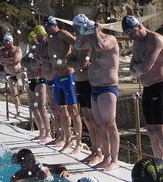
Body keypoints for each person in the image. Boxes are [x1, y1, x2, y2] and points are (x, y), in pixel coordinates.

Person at [124, 14, 163, 160]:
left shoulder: (155, 40)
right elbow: (132, 70)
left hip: (160, 86)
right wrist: (138, 69)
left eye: (132, 32)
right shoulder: (137, 43)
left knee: (159, 130)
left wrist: (138, 68)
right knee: (150, 130)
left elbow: (144, 68)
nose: (131, 36)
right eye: (128, 34)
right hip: (147, 88)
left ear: (139, 26)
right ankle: (159, 162)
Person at [78, 14, 120, 171]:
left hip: (108, 88)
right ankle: (106, 157)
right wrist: (84, 33)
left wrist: (96, 30)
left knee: (110, 124)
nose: (87, 38)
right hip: (95, 88)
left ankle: (115, 159)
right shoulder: (92, 42)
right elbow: (77, 45)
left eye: (88, 34)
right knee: (101, 125)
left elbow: (100, 46)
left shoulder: (109, 39)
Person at [44, 15, 83, 154]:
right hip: (57, 78)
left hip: (68, 75)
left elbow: (78, 44)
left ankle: (79, 142)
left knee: (73, 110)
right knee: (61, 110)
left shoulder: (62, 34)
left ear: (55, 25)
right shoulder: (50, 38)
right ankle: (68, 139)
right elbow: (54, 56)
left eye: (49, 27)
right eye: (45, 27)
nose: (47, 30)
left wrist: (76, 59)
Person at [73, 28, 100, 165]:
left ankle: (99, 152)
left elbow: (85, 62)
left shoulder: (93, 44)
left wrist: (80, 63)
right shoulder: (78, 44)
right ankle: (94, 150)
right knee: (87, 119)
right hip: (79, 83)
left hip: (89, 83)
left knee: (94, 120)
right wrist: (79, 64)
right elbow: (70, 62)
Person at [25, 26, 53, 142]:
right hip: (31, 80)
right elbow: (23, 62)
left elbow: (46, 63)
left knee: (41, 107)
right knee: (33, 107)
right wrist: (32, 64)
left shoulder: (43, 49)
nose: (33, 43)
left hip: (40, 80)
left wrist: (35, 64)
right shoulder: (32, 51)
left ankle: (48, 133)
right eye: (31, 41)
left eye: (34, 41)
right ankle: (41, 131)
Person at [0, 32, 25, 118]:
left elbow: (15, 60)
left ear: (11, 41)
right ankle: (18, 111)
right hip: (9, 74)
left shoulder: (17, 49)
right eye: (5, 41)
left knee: (24, 72)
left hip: (18, 72)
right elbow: (0, 61)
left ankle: (24, 86)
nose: (6, 43)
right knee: (14, 93)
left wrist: (5, 60)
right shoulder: (2, 50)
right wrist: (9, 60)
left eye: (7, 41)